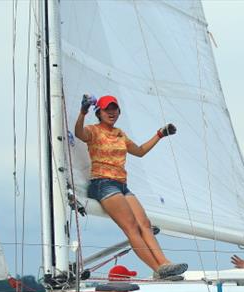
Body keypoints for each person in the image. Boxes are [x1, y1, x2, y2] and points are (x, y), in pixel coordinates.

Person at [74, 94, 188, 279]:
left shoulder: (120, 134)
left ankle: (165, 263)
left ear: (119, 111)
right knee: (132, 227)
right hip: (102, 183)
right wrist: (82, 112)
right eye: (106, 109)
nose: (111, 112)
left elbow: (139, 151)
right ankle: (158, 268)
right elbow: (79, 133)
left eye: (114, 109)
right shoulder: (93, 130)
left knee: (145, 224)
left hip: (121, 184)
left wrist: (159, 134)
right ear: (99, 112)